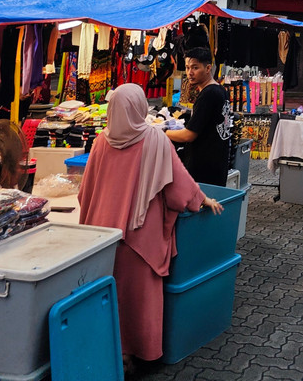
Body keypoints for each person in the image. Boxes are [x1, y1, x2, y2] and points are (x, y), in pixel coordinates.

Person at [79, 83, 223, 369]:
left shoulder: (100, 141)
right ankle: (139, 353)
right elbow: (177, 185)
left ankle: (110, 348)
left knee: (108, 293)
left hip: (102, 235)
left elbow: (86, 190)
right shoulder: (156, 139)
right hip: (139, 235)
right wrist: (202, 198)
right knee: (140, 296)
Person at [166, 48, 233, 186]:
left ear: (208, 68)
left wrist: (162, 132)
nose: (189, 73)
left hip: (203, 168)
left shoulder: (208, 94)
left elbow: (188, 135)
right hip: (217, 165)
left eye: (195, 68)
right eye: (187, 67)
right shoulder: (220, 90)